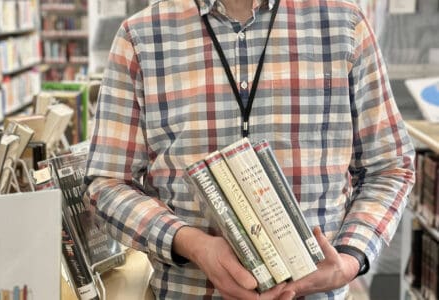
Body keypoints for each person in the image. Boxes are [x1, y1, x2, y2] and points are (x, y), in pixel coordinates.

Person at [85, 0, 415, 298]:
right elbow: (106, 185)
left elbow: (389, 166)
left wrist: (350, 257)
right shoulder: (141, 36)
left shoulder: (345, 24)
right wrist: (193, 244)